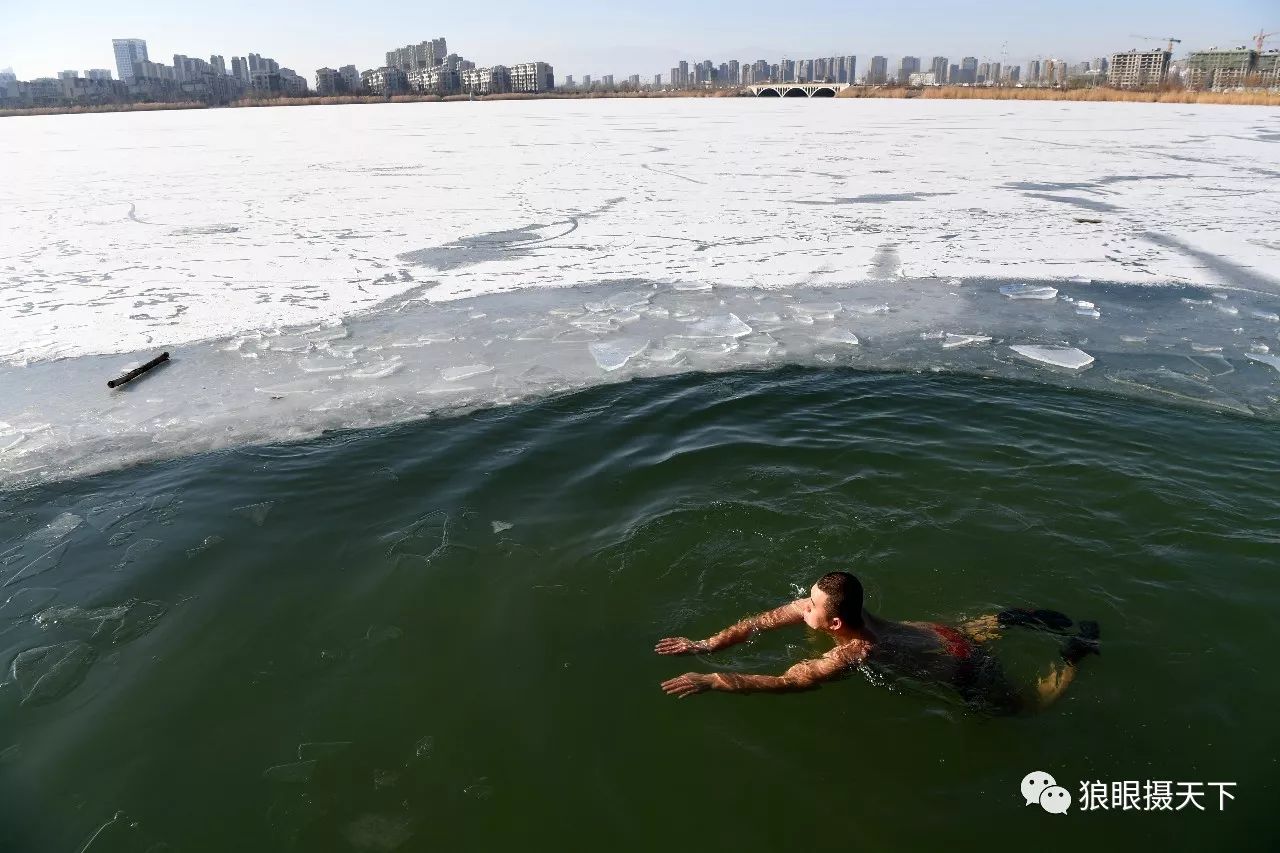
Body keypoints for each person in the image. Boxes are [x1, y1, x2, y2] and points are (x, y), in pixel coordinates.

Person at [655, 571, 1099, 714]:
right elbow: (763, 620)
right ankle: (1012, 618)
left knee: (1027, 706)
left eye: (810, 606)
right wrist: (708, 643)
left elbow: (792, 682)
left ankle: (1075, 655)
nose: (800, 607)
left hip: (961, 665)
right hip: (938, 633)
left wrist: (715, 679)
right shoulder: (846, 607)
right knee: (967, 630)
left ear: (833, 624)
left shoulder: (855, 650)